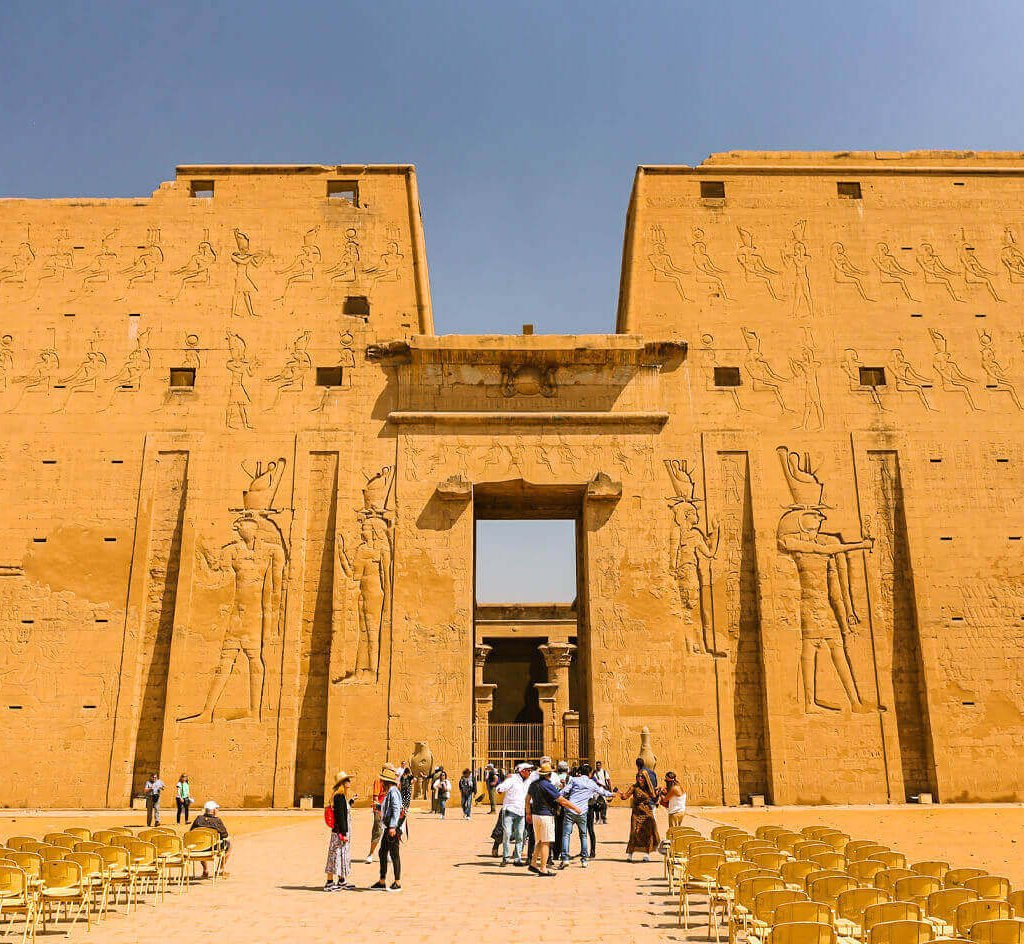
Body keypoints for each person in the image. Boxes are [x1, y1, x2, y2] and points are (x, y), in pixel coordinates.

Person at [526, 762, 580, 877]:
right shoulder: (547, 785)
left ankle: (533, 863)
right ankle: (543, 868)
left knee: (540, 840)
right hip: (546, 816)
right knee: (546, 842)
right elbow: (561, 800)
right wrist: (575, 808)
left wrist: (528, 813)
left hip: (535, 815)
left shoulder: (533, 784)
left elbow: (527, 799)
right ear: (549, 774)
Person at [559, 762, 615, 868]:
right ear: (589, 773)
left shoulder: (574, 780)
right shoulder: (591, 783)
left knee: (566, 835)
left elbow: (564, 791)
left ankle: (565, 858)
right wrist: (613, 794)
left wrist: (556, 795)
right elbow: (602, 792)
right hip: (582, 811)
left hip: (570, 810)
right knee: (583, 835)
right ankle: (584, 859)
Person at [371, 766, 403, 891]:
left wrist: (392, 826)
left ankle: (397, 882)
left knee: (394, 854)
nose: (381, 784)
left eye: (383, 781)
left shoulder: (393, 792)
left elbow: (395, 809)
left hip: (391, 828)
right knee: (383, 852)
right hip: (389, 826)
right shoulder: (391, 792)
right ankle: (382, 881)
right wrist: (379, 807)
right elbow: (388, 809)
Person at [622, 757, 661, 862]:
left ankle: (647, 854)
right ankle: (630, 854)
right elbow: (625, 796)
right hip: (636, 813)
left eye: (641, 777)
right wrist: (620, 793)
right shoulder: (634, 787)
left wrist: (658, 795)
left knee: (647, 834)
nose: (639, 779)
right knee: (634, 832)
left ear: (645, 778)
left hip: (647, 813)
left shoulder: (649, 789)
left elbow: (654, 796)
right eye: (638, 777)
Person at [496, 762, 533, 866]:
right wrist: (499, 789)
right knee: (507, 834)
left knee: (520, 835)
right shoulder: (512, 779)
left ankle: (517, 858)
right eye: (528, 770)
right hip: (509, 810)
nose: (530, 772)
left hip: (521, 811)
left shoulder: (529, 781)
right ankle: (506, 858)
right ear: (522, 771)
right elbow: (501, 787)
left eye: (530, 770)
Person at [324, 771, 354, 891]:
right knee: (334, 856)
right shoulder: (339, 797)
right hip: (339, 832)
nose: (349, 782)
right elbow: (340, 816)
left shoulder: (341, 797)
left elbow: (344, 812)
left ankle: (342, 880)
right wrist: (343, 833)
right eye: (347, 780)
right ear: (343, 783)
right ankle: (329, 882)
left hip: (340, 831)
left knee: (342, 855)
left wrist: (351, 802)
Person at [191, 800, 231, 878]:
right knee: (229, 845)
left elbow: (191, 832)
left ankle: (205, 870)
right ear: (213, 810)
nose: (217, 810)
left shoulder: (198, 819)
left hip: (200, 848)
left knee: (201, 843)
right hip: (213, 847)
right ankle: (220, 869)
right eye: (216, 809)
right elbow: (225, 834)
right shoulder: (217, 821)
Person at [365, 773, 386, 863]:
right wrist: (378, 810)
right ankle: (371, 853)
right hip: (379, 810)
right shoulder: (378, 781)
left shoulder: (393, 783)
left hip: (388, 809)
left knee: (389, 832)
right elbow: (376, 797)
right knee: (377, 831)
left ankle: (386, 853)